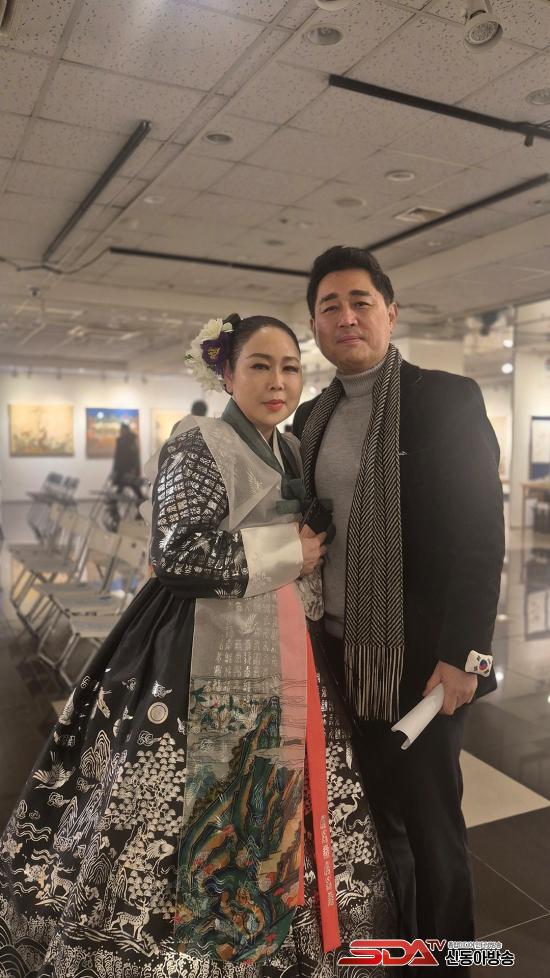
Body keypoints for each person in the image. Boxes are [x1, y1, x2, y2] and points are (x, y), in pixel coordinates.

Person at [0, 312, 393, 977]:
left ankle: (273, 941)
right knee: (195, 808)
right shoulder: (199, 440)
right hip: (204, 651)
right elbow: (177, 553)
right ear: (227, 374)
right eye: (259, 366)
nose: (277, 381)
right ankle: (186, 950)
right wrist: (288, 551)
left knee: (277, 795)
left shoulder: (290, 447)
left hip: (282, 645)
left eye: (290, 367)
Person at [293, 246, 505, 970]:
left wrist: (465, 656)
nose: (346, 316)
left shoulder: (445, 400)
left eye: (360, 301)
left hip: (423, 663)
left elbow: (481, 537)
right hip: (337, 655)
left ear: (390, 311)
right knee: (376, 821)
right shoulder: (309, 418)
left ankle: (454, 958)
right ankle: (400, 948)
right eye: (329, 306)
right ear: (315, 326)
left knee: (433, 827)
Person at [112, 422, 144, 502]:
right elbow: (118, 457)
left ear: (126, 430)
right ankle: (113, 504)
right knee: (124, 486)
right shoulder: (122, 441)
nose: (121, 431)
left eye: (122, 430)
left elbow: (133, 457)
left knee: (132, 486)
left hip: (128, 470)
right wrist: (115, 469)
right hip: (122, 469)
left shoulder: (130, 441)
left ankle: (143, 502)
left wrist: (134, 469)